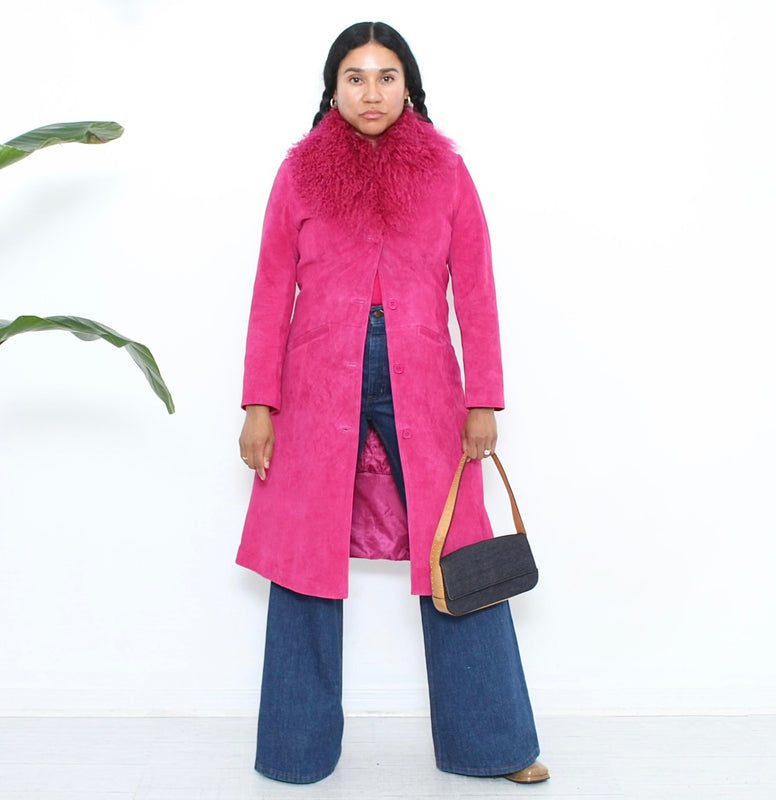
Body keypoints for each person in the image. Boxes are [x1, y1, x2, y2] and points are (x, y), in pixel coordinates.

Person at [237, 21, 548, 786]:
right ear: (332, 88)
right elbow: (271, 291)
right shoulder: (300, 173)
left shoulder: (446, 171)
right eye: (355, 77)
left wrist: (484, 398)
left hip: (428, 386)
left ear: (408, 85)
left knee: (459, 557)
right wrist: (258, 404)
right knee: (303, 558)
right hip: (316, 388)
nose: (370, 92)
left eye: (385, 76)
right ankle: (294, 751)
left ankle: (494, 745)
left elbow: (476, 290)